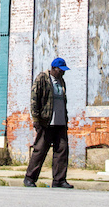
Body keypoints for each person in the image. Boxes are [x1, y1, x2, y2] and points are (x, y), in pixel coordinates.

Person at [23, 57, 73, 188]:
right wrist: (36, 120)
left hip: (60, 122)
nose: (63, 73)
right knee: (40, 150)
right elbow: (34, 100)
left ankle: (59, 180)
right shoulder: (42, 79)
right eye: (61, 70)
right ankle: (30, 178)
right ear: (53, 69)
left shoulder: (61, 81)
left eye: (64, 71)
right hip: (46, 122)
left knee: (62, 150)